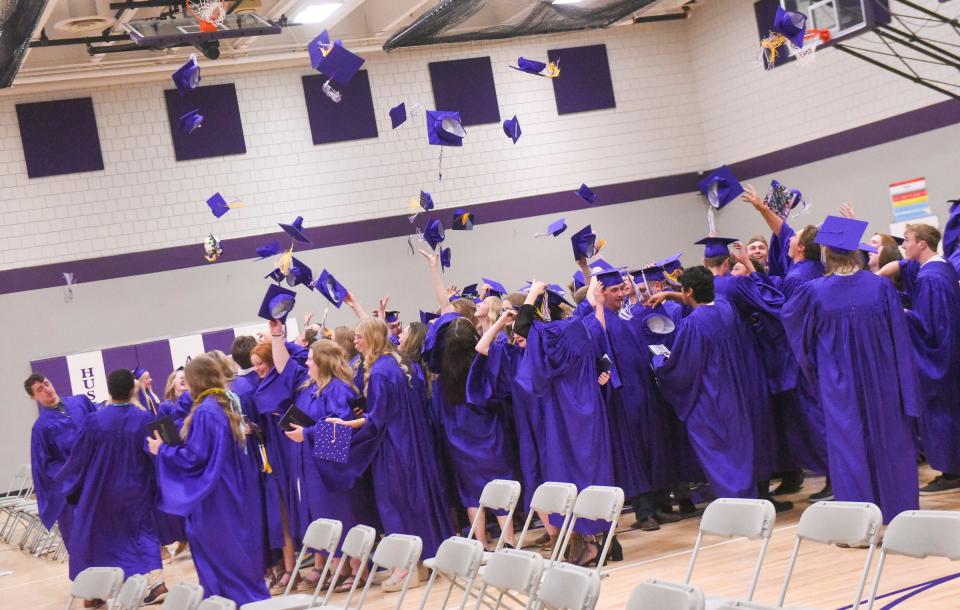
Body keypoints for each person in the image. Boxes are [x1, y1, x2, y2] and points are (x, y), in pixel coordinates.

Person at [782, 216, 921, 523]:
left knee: (849, 448)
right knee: (890, 442)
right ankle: (899, 517)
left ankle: (858, 524)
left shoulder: (814, 292)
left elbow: (795, 331)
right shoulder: (882, 287)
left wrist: (817, 371)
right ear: (856, 252)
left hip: (838, 384)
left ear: (826, 254)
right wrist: (906, 389)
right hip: (884, 381)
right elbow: (901, 340)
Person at [148, 354, 270, 605]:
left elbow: (194, 459)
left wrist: (162, 450)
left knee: (222, 556)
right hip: (230, 489)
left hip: (215, 497)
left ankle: (235, 602)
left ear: (194, 382)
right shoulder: (222, 403)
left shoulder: (206, 411)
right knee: (235, 552)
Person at [272, 326, 379, 593]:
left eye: (309, 359)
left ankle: (360, 570)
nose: (306, 363)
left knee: (345, 516)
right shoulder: (309, 389)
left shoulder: (340, 390)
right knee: (325, 517)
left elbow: (341, 431)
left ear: (321, 362)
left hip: (335, 468)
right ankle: (341, 568)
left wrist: (306, 434)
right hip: (312, 466)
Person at [649, 266, 766, 502]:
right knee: (738, 448)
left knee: (719, 453)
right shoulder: (726, 309)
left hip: (709, 397)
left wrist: (659, 360)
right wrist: (671, 294)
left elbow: (682, 367)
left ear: (689, 291)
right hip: (735, 391)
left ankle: (735, 505)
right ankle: (748, 500)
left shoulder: (694, 324)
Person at [58, 369, 164, 596]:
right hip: (137, 486)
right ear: (132, 390)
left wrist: (70, 485)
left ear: (109, 390)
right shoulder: (144, 418)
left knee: (102, 534)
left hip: (103, 489)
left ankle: (97, 591)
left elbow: (79, 457)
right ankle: (157, 583)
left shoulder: (94, 420)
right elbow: (154, 454)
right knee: (143, 531)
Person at [878, 223, 960, 495]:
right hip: (949, 351)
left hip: (940, 355)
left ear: (922, 244)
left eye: (909, 241)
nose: (904, 246)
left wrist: (900, 312)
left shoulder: (931, 279)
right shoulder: (939, 267)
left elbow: (929, 325)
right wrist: (878, 276)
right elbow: (902, 266)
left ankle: (951, 470)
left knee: (941, 413)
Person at [25, 373, 98, 572]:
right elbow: (45, 466)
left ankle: (121, 579)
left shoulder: (81, 402)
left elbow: (100, 428)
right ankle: (91, 589)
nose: (47, 389)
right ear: (34, 398)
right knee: (80, 539)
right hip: (73, 491)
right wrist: (73, 474)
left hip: (100, 480)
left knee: (111, 532)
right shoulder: (40, 429)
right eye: (39, 389)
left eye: (47, 383)